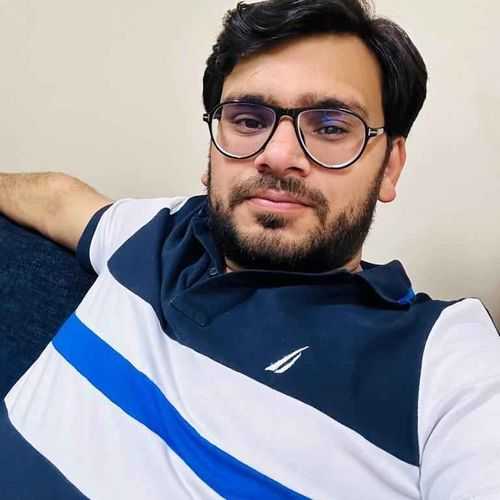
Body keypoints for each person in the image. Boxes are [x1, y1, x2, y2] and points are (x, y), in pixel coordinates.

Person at [1, 0, 499, 498]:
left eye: (330, 126)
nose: (277, 155)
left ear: (389, 166)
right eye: (247, 120)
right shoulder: (162, 229)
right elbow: (57, 198)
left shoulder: (446, 358)